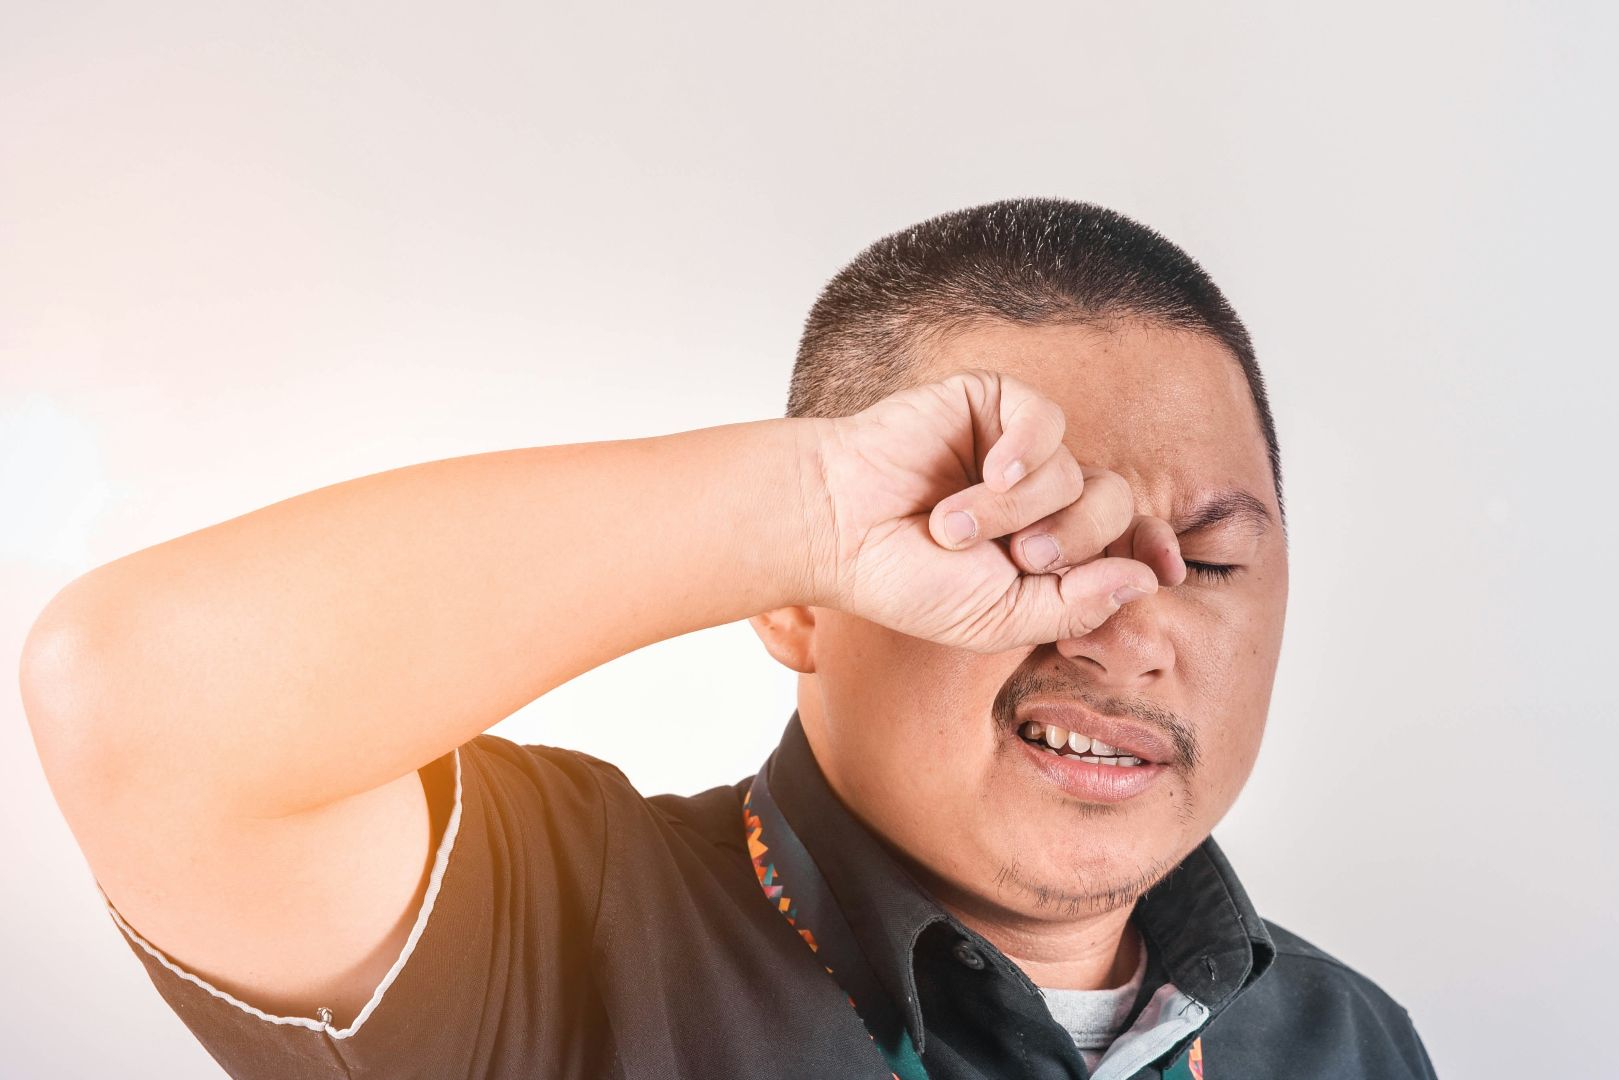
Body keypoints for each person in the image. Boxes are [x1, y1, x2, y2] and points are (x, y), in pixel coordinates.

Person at [21, 198, 1439, 1079]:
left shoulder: (1348, 1041)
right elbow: (134, 696)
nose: (1123, 627)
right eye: (1024, 542)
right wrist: (806, 503)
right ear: (797, 597)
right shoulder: (558, 933)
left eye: (1209, 560)